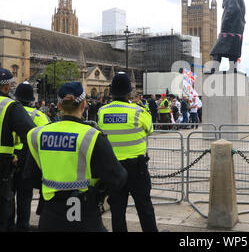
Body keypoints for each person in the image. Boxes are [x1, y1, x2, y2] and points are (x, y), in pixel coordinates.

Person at [24, 82, 127, 232]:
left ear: (59, 106)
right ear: (83, 104)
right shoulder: (92, 136)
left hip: (50, 212)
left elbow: (30, 176)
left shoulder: (37, 135)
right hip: (83, 212)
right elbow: (118, 178)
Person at [97, 72, 158, 232]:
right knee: (144, 208)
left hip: (114, 168)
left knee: (117, 210)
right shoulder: (138, 111)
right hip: (136, 168)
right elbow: (150, 130)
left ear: (112, 92)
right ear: (129, 92)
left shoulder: (102, 112)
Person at [8, 82, 50, 232]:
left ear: (16, 97)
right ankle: (23, 225)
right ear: (32, 98)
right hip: (28, 159)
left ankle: (9, 225)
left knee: (9, 194)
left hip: (10, 157)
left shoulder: (9, 110)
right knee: (25, 195)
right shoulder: (40, 116)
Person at [0, 72, 37, 232]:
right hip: (3, 163)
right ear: (8, 86)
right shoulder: (9, 106)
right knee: (4, 205)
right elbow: (31, 135)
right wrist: (21, 161)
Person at [209, 0, 246, 73]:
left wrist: (225, 23)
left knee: (216, 51)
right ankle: (233, 69)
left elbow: (233, 9)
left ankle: (214, 69)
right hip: (237, 29)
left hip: (229, 29)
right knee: (233, 51)